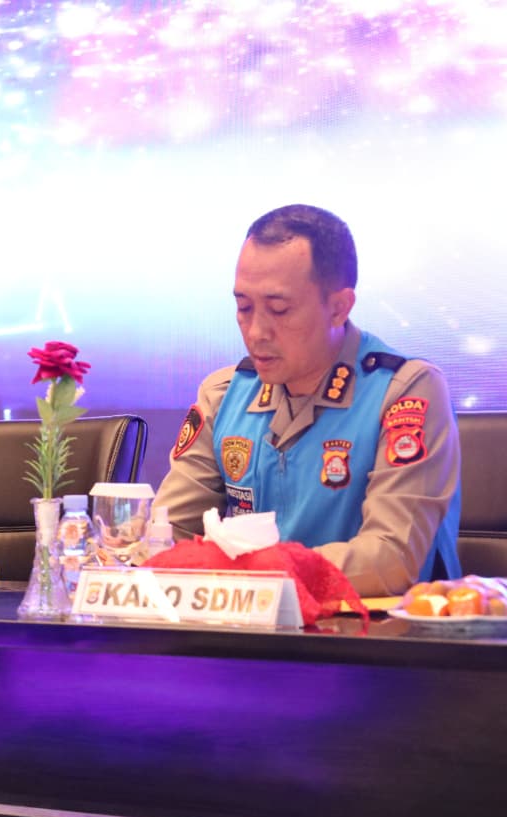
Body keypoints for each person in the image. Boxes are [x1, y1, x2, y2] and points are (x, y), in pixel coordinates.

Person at [153, 204, 462, 596]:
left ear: (339, 308)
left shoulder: (405, 391)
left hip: (369, 630)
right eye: (243, 307)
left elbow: (390, 561)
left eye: (279, 310)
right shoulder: (223, 394)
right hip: (249, 625)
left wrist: (257, 571)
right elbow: (165, 535)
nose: (256, 331)